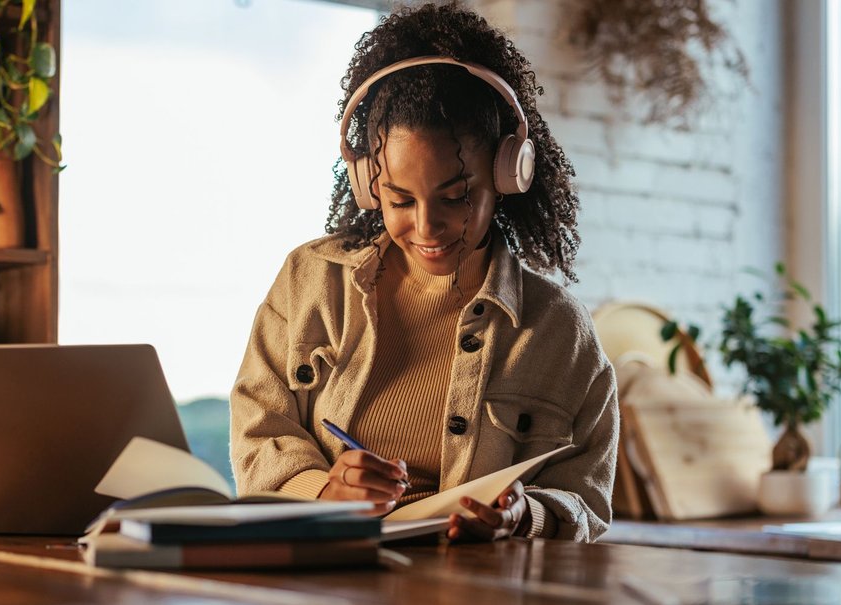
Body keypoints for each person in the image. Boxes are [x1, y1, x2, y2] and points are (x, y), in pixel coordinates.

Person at [229, 2, 617, 542]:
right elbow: (258, 430)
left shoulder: (559, 333)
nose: (428, 227)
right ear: (368, 183)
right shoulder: (309, 281)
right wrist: (322, 491)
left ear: (509, 173)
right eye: (400, 199)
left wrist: (522, 516)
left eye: (456, 197)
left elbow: (588, 500)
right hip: (330, 574)